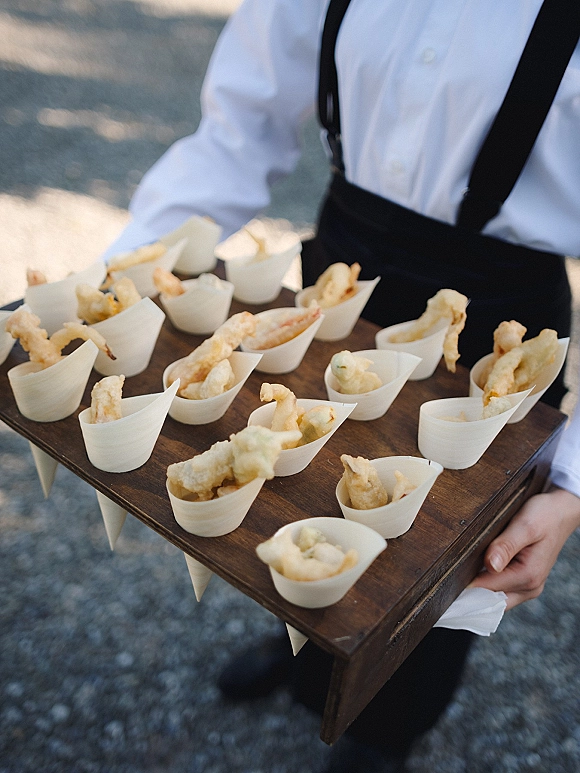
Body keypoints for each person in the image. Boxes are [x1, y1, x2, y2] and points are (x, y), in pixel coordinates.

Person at [104, 1, 580, 770]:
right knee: (291, 478)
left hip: (494, 317)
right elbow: (235, 135)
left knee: (434, 550)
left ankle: (382, 733)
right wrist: (116, 280)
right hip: (342, 267)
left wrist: (575, 481)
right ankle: (299, 634)